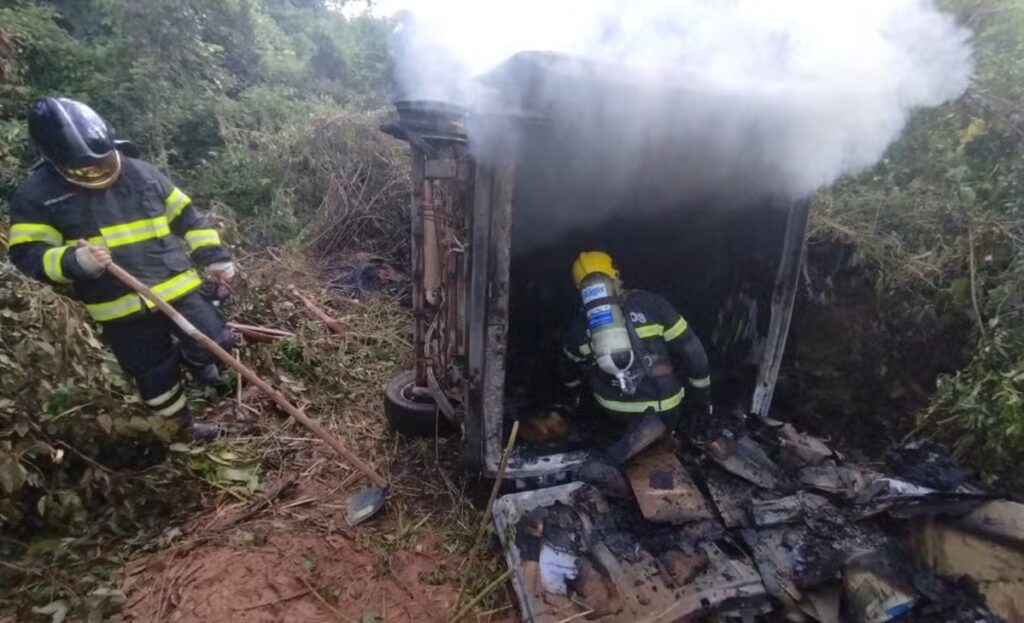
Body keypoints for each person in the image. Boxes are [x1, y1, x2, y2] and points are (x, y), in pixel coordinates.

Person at [7, 97, 236, 441]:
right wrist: (73, 262)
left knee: (215, 341)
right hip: (119, 307)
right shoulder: (36, 196)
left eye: (102, 163)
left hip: (175, 286)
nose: (98, 173)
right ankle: (182, 429)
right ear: (55, 160)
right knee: (154, 376)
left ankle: (197, 362)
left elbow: (189, 218)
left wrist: (215, 257)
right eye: (86, 170)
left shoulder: (141, 172)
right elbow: (27, 254)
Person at [560, 251, 712, 470]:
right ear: (616, 276)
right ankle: (663, 439)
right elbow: (694, 354)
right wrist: (702, 401)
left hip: (614, 413)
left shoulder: (580, 326)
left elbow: (568, 371)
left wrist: (574, 398)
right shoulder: (653, 304)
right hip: (664, 409)